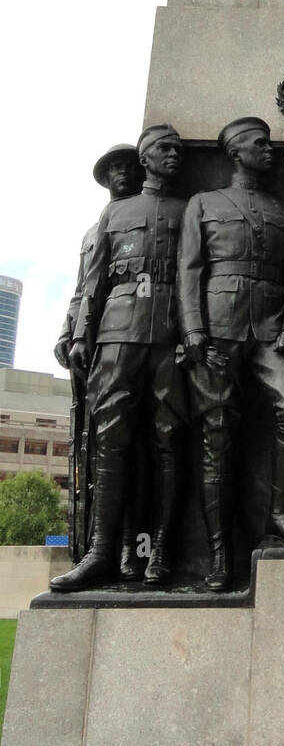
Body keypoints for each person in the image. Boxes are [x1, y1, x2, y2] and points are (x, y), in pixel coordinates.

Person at [178, 117, 284, 591]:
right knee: (216, 436)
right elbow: (189, 272)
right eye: (261, 145)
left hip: (271, 332)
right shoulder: (204, 203)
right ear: (236, 152)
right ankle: (219, 554)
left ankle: (279, 512)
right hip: (217, 331)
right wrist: (194, 331)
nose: (270, 152)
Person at [50, 124, 188, 591]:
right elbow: (92, 283)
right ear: (146, 157)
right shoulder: (113, 215)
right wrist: (81, 335)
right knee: (111, 440)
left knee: (169, 438)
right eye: (164, 150)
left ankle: (163, 551)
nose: (175, 156)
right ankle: (102, 552)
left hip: (171, 333)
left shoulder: (190, 209)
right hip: (117, 332)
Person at [54, 143, 144, 568]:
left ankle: (129, 545)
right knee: (100, 453)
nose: (123, 174)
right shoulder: (93, 233)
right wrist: (68, 332)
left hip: (137, 340)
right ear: (106, 179)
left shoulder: (150, 215)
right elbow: (82, 290)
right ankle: (95, 547)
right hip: (98, 348)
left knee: (137, 446)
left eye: (130, 167)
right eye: (115, 170)